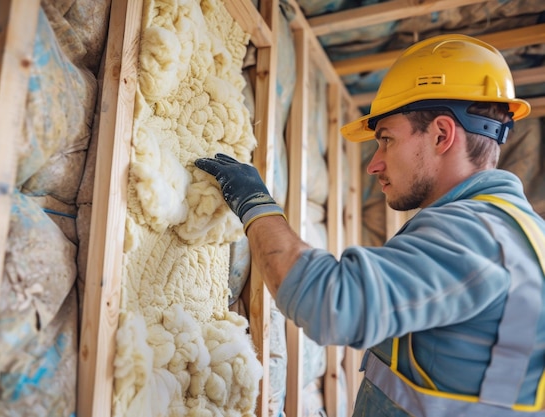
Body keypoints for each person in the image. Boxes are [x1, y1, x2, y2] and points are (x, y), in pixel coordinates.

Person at [195, 34, 545, 416]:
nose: (373, 164)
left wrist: (255, 204)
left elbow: (329, 303)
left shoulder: (476, 234)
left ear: (442, 134)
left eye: (386, 140)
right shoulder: (519, 233)